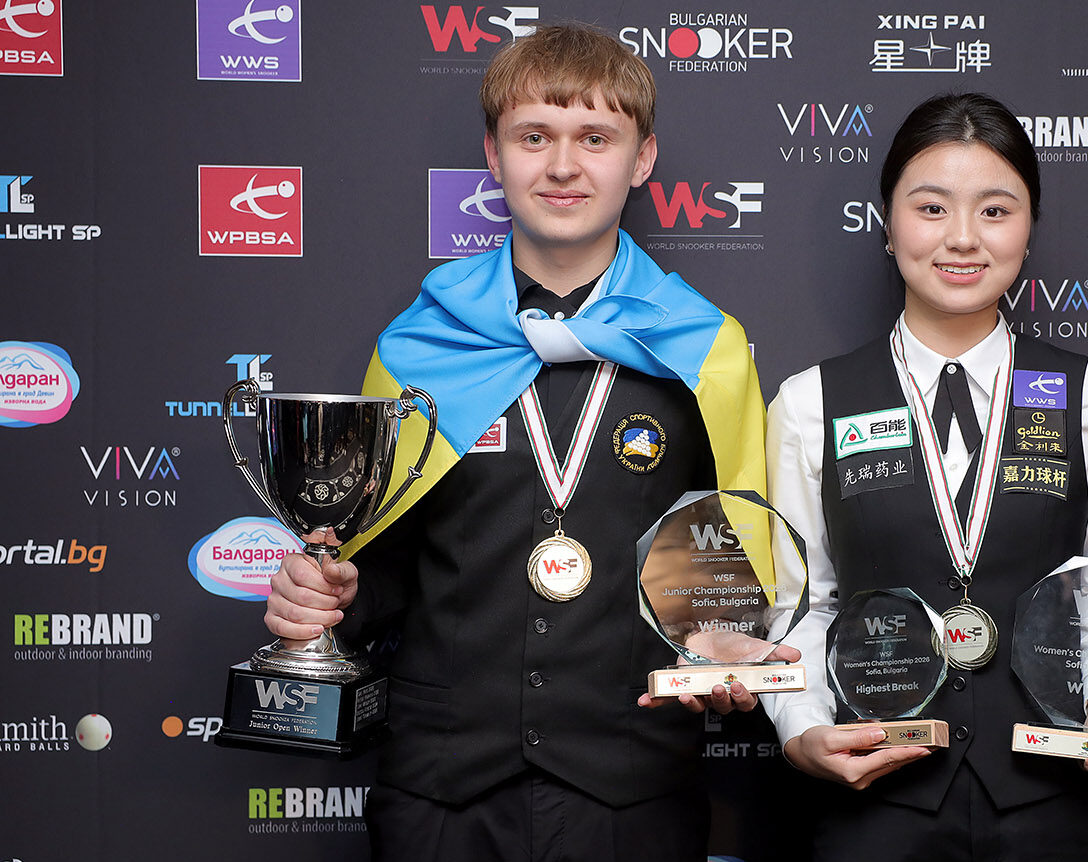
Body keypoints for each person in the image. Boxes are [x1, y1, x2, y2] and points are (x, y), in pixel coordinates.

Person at [261, 23, 780, 862]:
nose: (564, 166)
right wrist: (320, 601)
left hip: (632, 787)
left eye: (595, 138)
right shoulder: (417, 349)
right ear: (494, 160)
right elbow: (373, 571)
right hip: (440, 788)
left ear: (642, 159)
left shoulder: (704, 348)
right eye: (534, 136)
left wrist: (728, 640)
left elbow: (728, 556)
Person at [762, 93, 1088, 860]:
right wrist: (803, 731)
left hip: (1054, 800)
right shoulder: (807, 403)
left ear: (1029, 227)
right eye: (931, 208)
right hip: (872, 804)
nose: (962, 239)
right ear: (887, 225)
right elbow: (803, 604)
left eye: (996, 210)